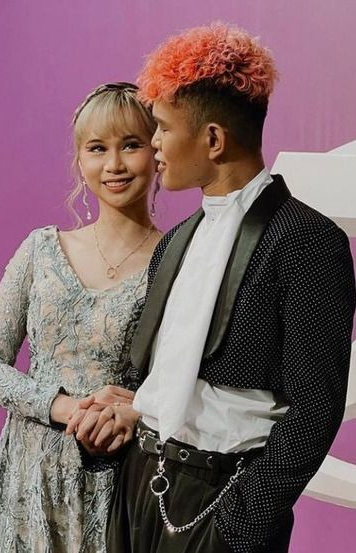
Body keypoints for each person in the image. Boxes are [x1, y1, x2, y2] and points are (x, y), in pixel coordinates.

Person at [105, 23, 356, 553]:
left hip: (223, 502)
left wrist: (240, 525)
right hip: (139, 488)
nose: (153, 145)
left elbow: (315, 408)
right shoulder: (175, 242)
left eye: (162, 128)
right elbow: (158, 376)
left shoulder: (307, 241)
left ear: (213, 140)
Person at [0, 82, 160, 552]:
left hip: (119, 483)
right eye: (97, 148)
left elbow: (184, 384)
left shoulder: (175, 261)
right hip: (26, 478)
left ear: (157, 151)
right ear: (79, 159)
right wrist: (64, 408)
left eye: (130, 145)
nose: (114, 165)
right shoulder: (41, 250)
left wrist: (133, 412)